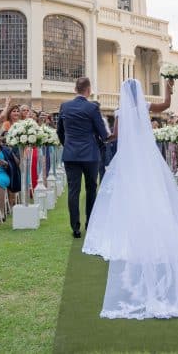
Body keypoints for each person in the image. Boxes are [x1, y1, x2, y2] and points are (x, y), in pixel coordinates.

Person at [83, 79, 178, 320]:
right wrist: (169, 89)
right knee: (154, 189)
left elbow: (117, 135)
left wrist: (105, 140)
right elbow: (166, 104)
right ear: (139, 93)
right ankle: (154, 221)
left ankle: (134, 225)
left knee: (127, 191)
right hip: (148, 157)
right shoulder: (146, 108)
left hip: (129, 157)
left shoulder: (120, 111)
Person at [57, 77, 109, 238]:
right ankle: (90, 223)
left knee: (73, 190)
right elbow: (102, 133)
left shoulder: (65, 106)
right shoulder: (92, 107)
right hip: (90, 154)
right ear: (89, 90)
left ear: (75, 89)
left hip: (71, 154)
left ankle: (75, 227)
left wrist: (68, 145)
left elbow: (60, 131)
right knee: (91, 189)